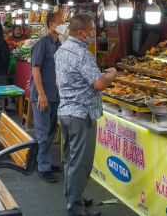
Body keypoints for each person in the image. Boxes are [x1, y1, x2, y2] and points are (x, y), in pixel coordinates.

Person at [55, 14, 118, 216]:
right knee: (80, 164)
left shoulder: (62, 50)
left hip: (66, 111)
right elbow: (98, 84)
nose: (94, 33)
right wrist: (111, 75)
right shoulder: (82, 54)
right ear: (81, 32)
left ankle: (75, 197)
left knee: (71, 161)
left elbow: (60, 82)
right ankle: (75, 209)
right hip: (81, 115)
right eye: (92, 30)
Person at [30, 12, 62, 183]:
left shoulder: (59, 45)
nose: (63, 25)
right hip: (43, 95)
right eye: (60, 22)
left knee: (50, 131)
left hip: (55, 95)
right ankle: (43, 167)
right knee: (43, 133)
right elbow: (35, 69)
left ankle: (43, 161)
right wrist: (41, 94)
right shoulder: (42, 44)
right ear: (51, 24)